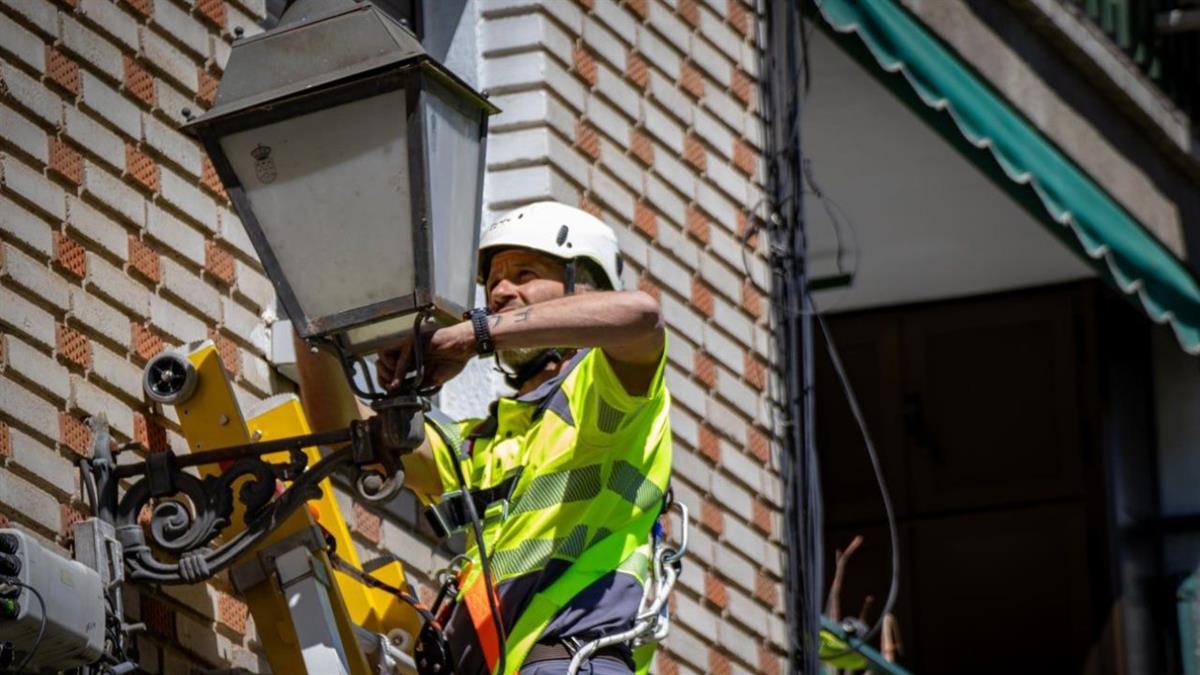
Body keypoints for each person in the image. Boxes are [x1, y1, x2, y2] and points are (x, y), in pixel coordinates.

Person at [295, 201, 673, 675]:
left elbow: (640, 316)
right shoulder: (484, 445)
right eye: (493, 281)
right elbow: (346, 435)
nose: (500, 292)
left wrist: (473, 336)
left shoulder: (608, 395)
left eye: (525, 273)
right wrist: (307, 310)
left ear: (586, 288)